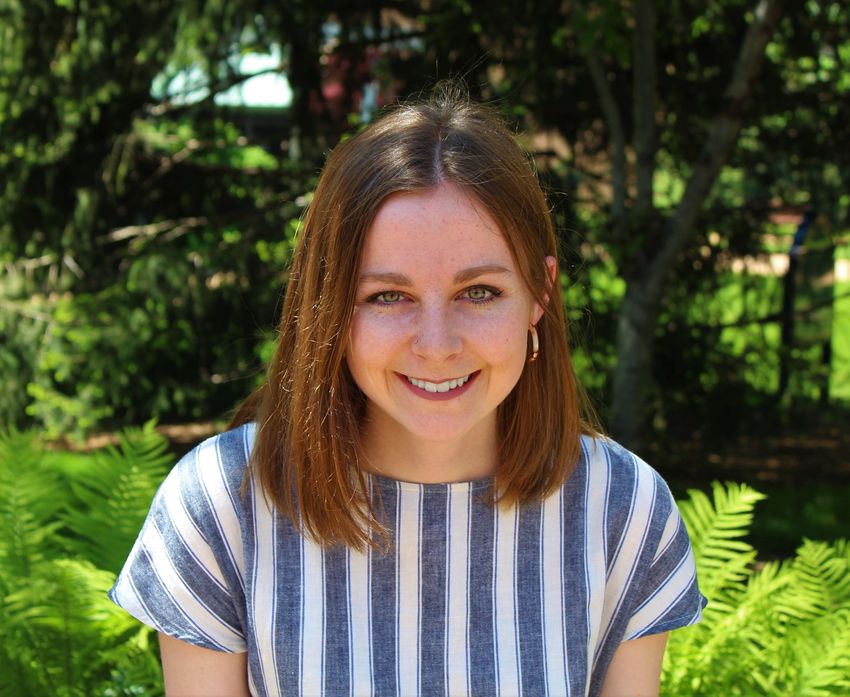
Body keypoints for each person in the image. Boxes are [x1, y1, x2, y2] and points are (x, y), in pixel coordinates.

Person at [110, 85, 705, 697]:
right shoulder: (221, 508)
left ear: (540, 293)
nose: (437, 344)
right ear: (329, 307)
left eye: (479, 292)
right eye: (388, 296)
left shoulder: (622, 511)